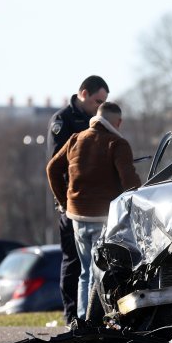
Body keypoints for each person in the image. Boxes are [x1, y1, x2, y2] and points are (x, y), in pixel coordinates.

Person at [46, 101, 141, 322]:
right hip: (104, 217)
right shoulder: (117, 143)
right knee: (100, 272)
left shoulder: (75, 139)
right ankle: (93, 321)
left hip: (77, 216)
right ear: (118, 122)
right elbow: (130, 183)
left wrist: (64, 201)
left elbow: (52, 168)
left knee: (85, 271)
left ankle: (80, 320)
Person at [46, 75, 109, 325]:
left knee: (95, 263)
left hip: (96, 205)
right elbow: (56, 165)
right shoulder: (64, 121)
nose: (100, 106)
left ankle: (93, 315)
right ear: (83, 93)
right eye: (97, 101)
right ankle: (72, 315)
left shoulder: (96, 120)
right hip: (72, 205)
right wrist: (63, 201)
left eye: (104, 102)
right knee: (74, 262)